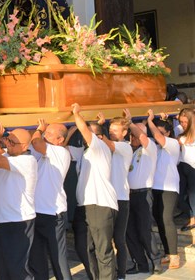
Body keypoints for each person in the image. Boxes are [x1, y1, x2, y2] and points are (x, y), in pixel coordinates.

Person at [0, 122, 36, 280]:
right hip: (0, 219)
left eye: (12, 142)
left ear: (24, 146)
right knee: (1, 268)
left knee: (18, 270)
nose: (8, 145)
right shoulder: (6, 156)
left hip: (18, 222)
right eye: (7, 140)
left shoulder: (28, 161)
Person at [71, 104, 117, 280]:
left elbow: (85, 129)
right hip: (84, 205)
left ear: (99, 137)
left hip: (100, 204)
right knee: (83, 247)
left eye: (89, 133)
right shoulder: (85, 152)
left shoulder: (101, 148)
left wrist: (77, 114)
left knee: (102, 250)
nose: (84, 137)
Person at [29, 120, 72, 280]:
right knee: (37, 258)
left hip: (53, 214)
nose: (44, 136)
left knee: (58, 258)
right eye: (44, 133)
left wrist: (38, 129)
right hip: (35, 212)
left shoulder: (61, 152)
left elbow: (35, 141)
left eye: (49, 134)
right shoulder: (39, 151)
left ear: (60, 140)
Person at [126, 110, 160, 274]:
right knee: (130, 231)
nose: (133, 137)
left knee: (144, 229)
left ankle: (155, 260)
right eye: (131, 135)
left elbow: (143, 138)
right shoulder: (126, 150)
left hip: (143, 194)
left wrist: (131, 123)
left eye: (135, 134)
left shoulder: (149, 148)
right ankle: (140, 263)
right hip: (128, 195)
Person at [147, 112, 181, 269]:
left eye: (161, 132)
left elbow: (158, 137)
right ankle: (168, 253)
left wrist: (150, 121)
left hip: (169, 188)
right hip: (155, 188)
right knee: (159, 221)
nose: (157, 135)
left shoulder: (172, 144)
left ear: (168, 133)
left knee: (167, 219)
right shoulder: (155, 148)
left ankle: (174, 255)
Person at [104, 114, 133, 280]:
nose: (112, 132)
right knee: (106, 240)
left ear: (124, 132)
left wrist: (99, 130)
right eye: (110, 130)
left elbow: (107, 142)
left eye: (115, 130)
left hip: (121, 199)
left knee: (119, 240)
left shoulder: (125, 147)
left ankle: (121, 274)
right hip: (107, 199)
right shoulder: (108, 148)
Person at [177, 108, 195, 231]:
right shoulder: (180, 135)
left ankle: (192, 219)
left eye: (185, 122)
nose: (182, 124)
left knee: (192, 195)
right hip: (182, 167)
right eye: (181, 122)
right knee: (179, 196)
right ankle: (189, 214)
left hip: (193, 168)